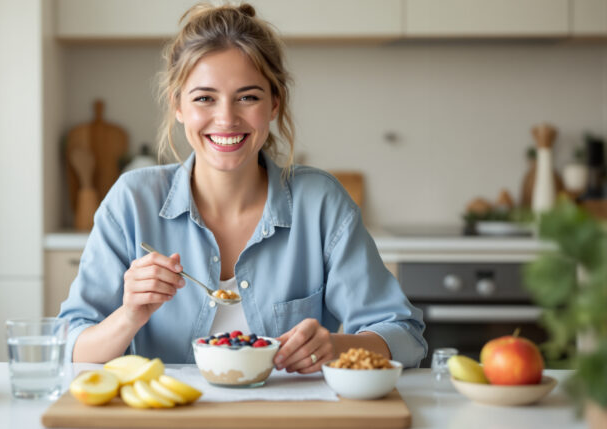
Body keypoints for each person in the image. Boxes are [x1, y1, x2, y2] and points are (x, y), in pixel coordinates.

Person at [58, 2, 427, 373]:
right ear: (178, 106)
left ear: (274, 104)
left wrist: (335, 346)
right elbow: (70, 345)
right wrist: (129, 315)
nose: (226, 119)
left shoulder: (320, 202)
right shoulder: (132, 200)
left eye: (248, 97)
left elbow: (404, 334)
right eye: (204, 98)